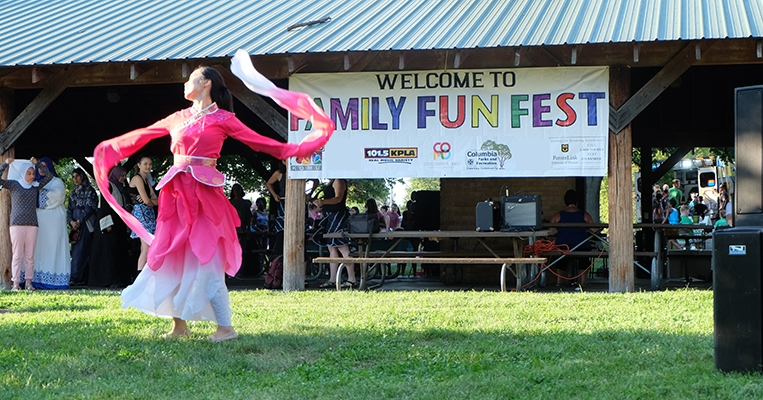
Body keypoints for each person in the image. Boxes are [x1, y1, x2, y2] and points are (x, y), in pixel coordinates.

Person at [93, 51, 333, 342]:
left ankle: (225, 327)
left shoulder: (224, 118)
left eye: (191, 78)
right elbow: (144, 134)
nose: (185, 84)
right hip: (176, 198)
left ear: (206, 83)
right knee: (172, 257)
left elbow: (259, 142)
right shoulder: (178, 117)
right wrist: (109, 149)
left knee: (208, 262)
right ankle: (179, 325)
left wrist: (295, 149)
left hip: (205, 198)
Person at [0, 158, 52, 290]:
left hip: (32, 225)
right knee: (17, 255)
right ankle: (15, 283)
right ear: (22, 173)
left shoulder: (35, 187)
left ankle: (29, 283)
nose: (31, 176)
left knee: (29, 256)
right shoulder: (14, 185)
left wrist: (37, 164)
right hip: (16, 224)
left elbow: (49, 176)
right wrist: (5, 164)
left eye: (33, 173)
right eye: (28, 173)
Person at [89, 165, 131, 288]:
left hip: (119, 224)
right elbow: (104, 206)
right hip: (110, 224)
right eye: (121, 175)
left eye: (124, 176)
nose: (123, 178)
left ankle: (120, 279)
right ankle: (109, 279)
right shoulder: (108, 186)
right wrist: (107, 224)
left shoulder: (121, 188)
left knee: (118, 251)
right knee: (109, 252)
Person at [32, 157, 71, 290]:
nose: (41, 170)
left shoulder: (57, 181)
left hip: (53, 226)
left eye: (44, 166)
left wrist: (33, 196)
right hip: (38, 225)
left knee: (52, 250)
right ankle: (33, 279)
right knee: (37, 250)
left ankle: (54, 280)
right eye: (39, 167)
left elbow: (58, 196)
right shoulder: (34, 182)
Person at [313, 179, 356, 289]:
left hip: (338, 216)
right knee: (331, 247)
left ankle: (352, 278)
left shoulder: (338, 180)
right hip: (330, 216)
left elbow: (338, 198)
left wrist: (323, 202)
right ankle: (333, 279)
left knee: (342, 247)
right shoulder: (332, 181)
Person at [549, 190, 594, 287]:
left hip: (563, 246)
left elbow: (551, 230)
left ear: (565, 201)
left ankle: (559, 280)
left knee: (560, 258)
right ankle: (583, 281)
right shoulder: (584, 215)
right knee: (584, 257)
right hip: (582, 245)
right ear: (577, 201)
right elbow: (594, 229)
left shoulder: (558, 215)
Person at [68, 167, 98, 286]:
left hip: (86, 225)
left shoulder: (90, 191)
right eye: (73, 177)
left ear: (82, 176)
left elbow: (90, 208)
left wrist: (79, 221)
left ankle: (75, 277)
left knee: (82, 251)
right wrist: (71, 222)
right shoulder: (73, 193)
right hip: (75, 226)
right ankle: (79, 277)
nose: (75, 179)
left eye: (77, 176)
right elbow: (70, 209)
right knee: (76, 251)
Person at [129, 156, 158, 275]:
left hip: (148, 214)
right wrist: (151, 201)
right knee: (146, 249)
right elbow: (147, 201)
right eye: (145, 164)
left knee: (146, 248)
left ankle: (144, 276)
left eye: (150, 164)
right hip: (141, 214)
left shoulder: (146, 179)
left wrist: (152, 201)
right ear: (139, 165)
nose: (148, 166)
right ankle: (139, 278)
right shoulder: (137, 178)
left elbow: (155, 199)